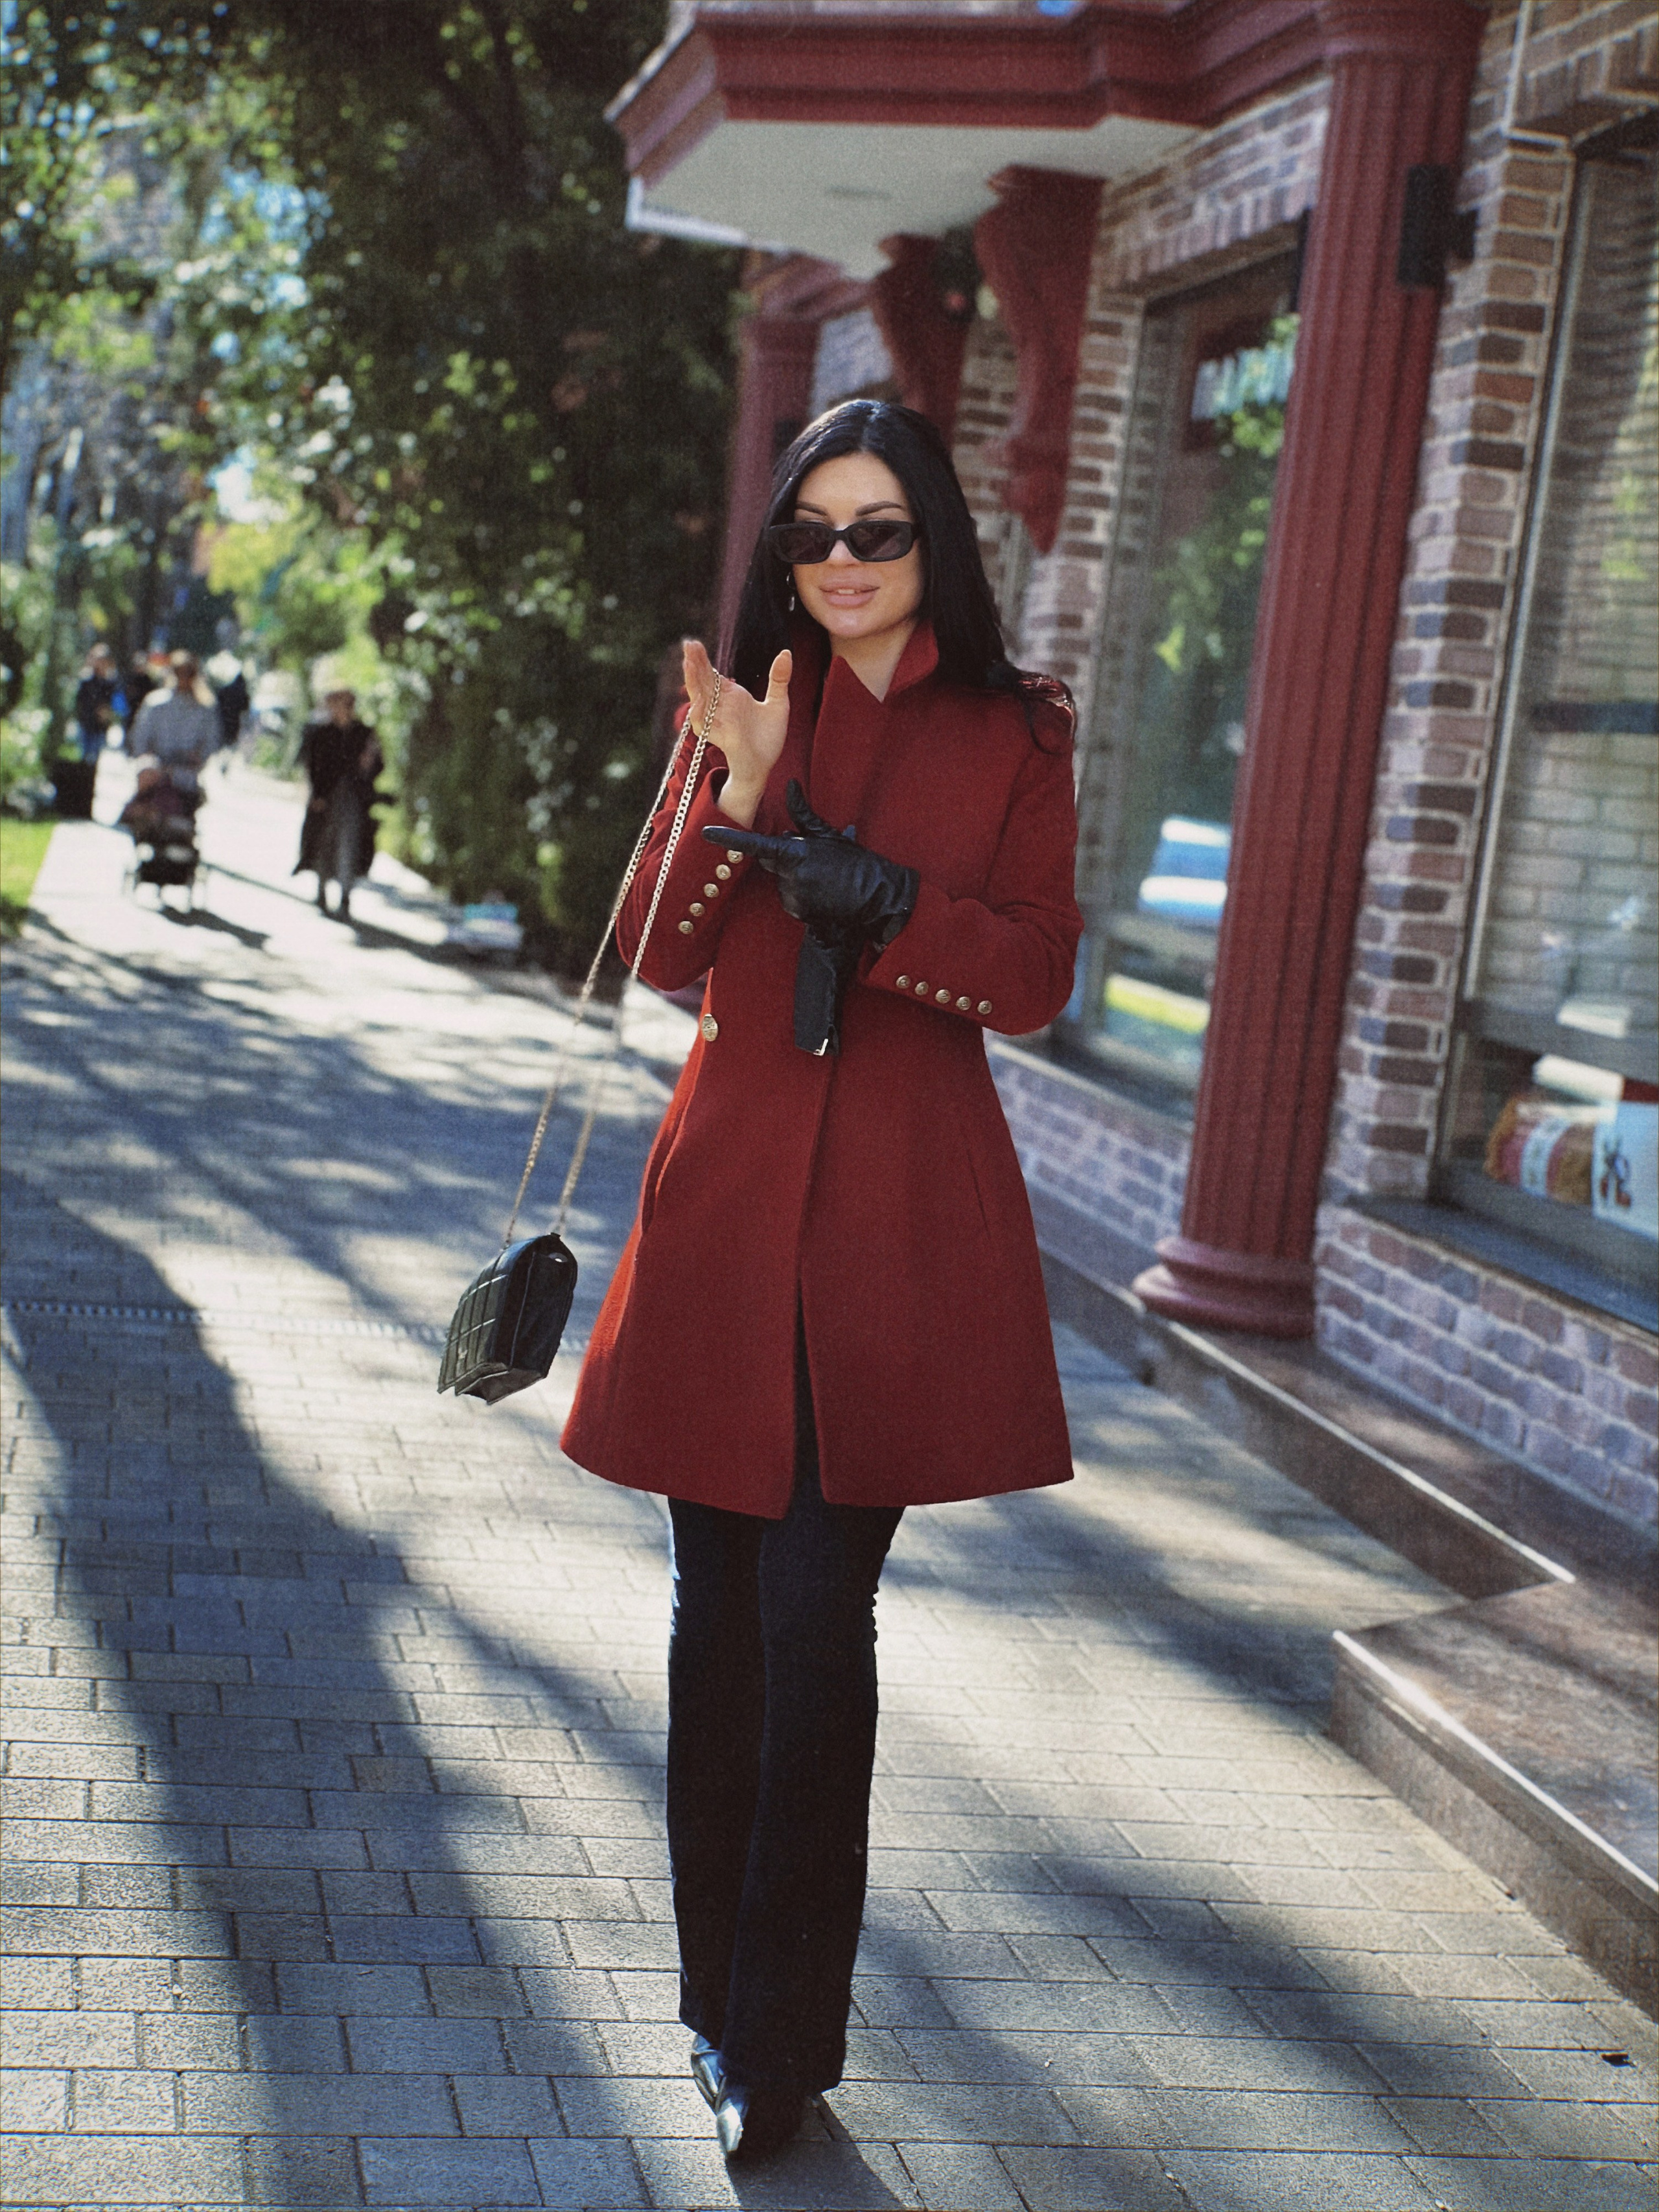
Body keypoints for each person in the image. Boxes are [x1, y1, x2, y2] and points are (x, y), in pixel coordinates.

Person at [561, 399, 1082, 2161]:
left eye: (878, 531)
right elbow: (658, 951)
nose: (842, 564)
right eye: (813, 535)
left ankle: (785, 2036)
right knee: (720, 1635)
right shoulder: (744, 699)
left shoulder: (1016, 729)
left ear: (935, 542)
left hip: (895, 1235)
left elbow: (1031, 979)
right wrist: (745, 788)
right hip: (725, 1218)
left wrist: (888, 904)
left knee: (810, 1625)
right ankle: (720, 2010)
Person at [296, 688, 383, 919]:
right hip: (327, 798)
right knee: (325, 843)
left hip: (353, 798)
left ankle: (345, 896)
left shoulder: (364, 734)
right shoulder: (323, 733)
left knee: (349, 846)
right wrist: (317, 794)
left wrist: (370, 764)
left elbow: (376, 765)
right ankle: (322, 889)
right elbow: (313, 765)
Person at [129, 652, 220, 792]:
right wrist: (147, 756)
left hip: (186, 770)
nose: (183, 677)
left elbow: (211, 742)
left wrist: (199, 758)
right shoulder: (156, 702)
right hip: (156, 768)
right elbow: (140, 736)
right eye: (179, 672)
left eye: (188, 673)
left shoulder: (204, 708)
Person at [72, 643, 121, 763]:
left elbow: (115, 702)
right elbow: (80, 701)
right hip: (86, 724)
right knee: (85, 758)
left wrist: (108, 713)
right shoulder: (86, 679)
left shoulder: (110, 681)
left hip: (100, 727)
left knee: (95, 759)